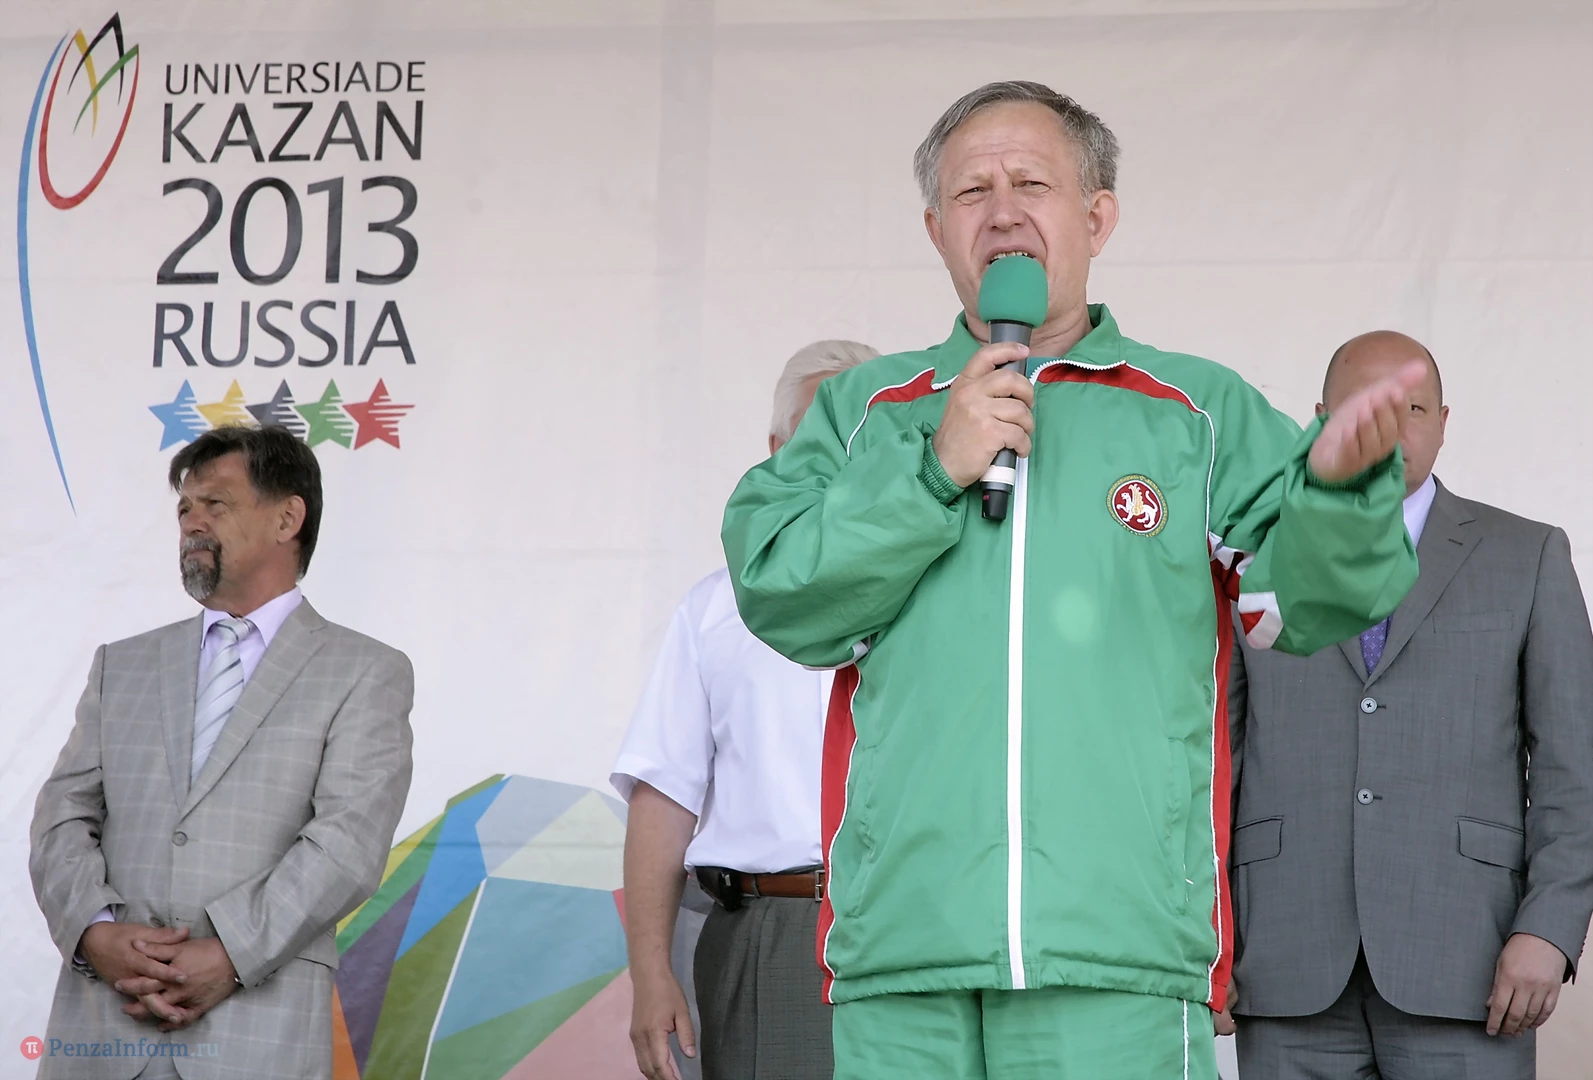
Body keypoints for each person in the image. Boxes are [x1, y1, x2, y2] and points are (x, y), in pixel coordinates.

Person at [720, 81, 1426, 1080]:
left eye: (1031, 184)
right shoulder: (866, 410)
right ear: (935, 229)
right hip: (903, 947)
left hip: (1118, 948)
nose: (1001, 211)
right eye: (972, 192)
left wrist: (1342, 496)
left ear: (1097, 218)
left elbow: (1298, 609)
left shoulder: (1194, 412)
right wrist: (932, 471)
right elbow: (782, 593)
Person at [1224, 331, 1593, 1080]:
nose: (1391, 431)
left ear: (1444, 422)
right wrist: (1211, 942)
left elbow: (1574, 768)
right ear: (1320, 422)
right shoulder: (1251, 558)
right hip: (1283, 961)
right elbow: (1210, 758)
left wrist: (1550, 929)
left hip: (1469, 965)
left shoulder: (1527, 555)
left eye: (1413, 409)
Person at [29, 425, 415, 1080]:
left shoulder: (365, 671)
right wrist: (94, 930)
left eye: (215, 504)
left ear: (287, 518)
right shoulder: (122, 665)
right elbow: (63, 815)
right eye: (184, 507)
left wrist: (230, 953)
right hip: (102, 1034)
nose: (191, 522)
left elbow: (346, 845)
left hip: (256, 1038)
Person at [615, 339, 879, 1080]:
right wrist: (650, 973)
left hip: (916, 924)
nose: (841, 457)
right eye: (819, 435)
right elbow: (663, 796)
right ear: (775, 451)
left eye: (862, 435)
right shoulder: (714, 610)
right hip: (773, 934)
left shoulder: (949, 595)